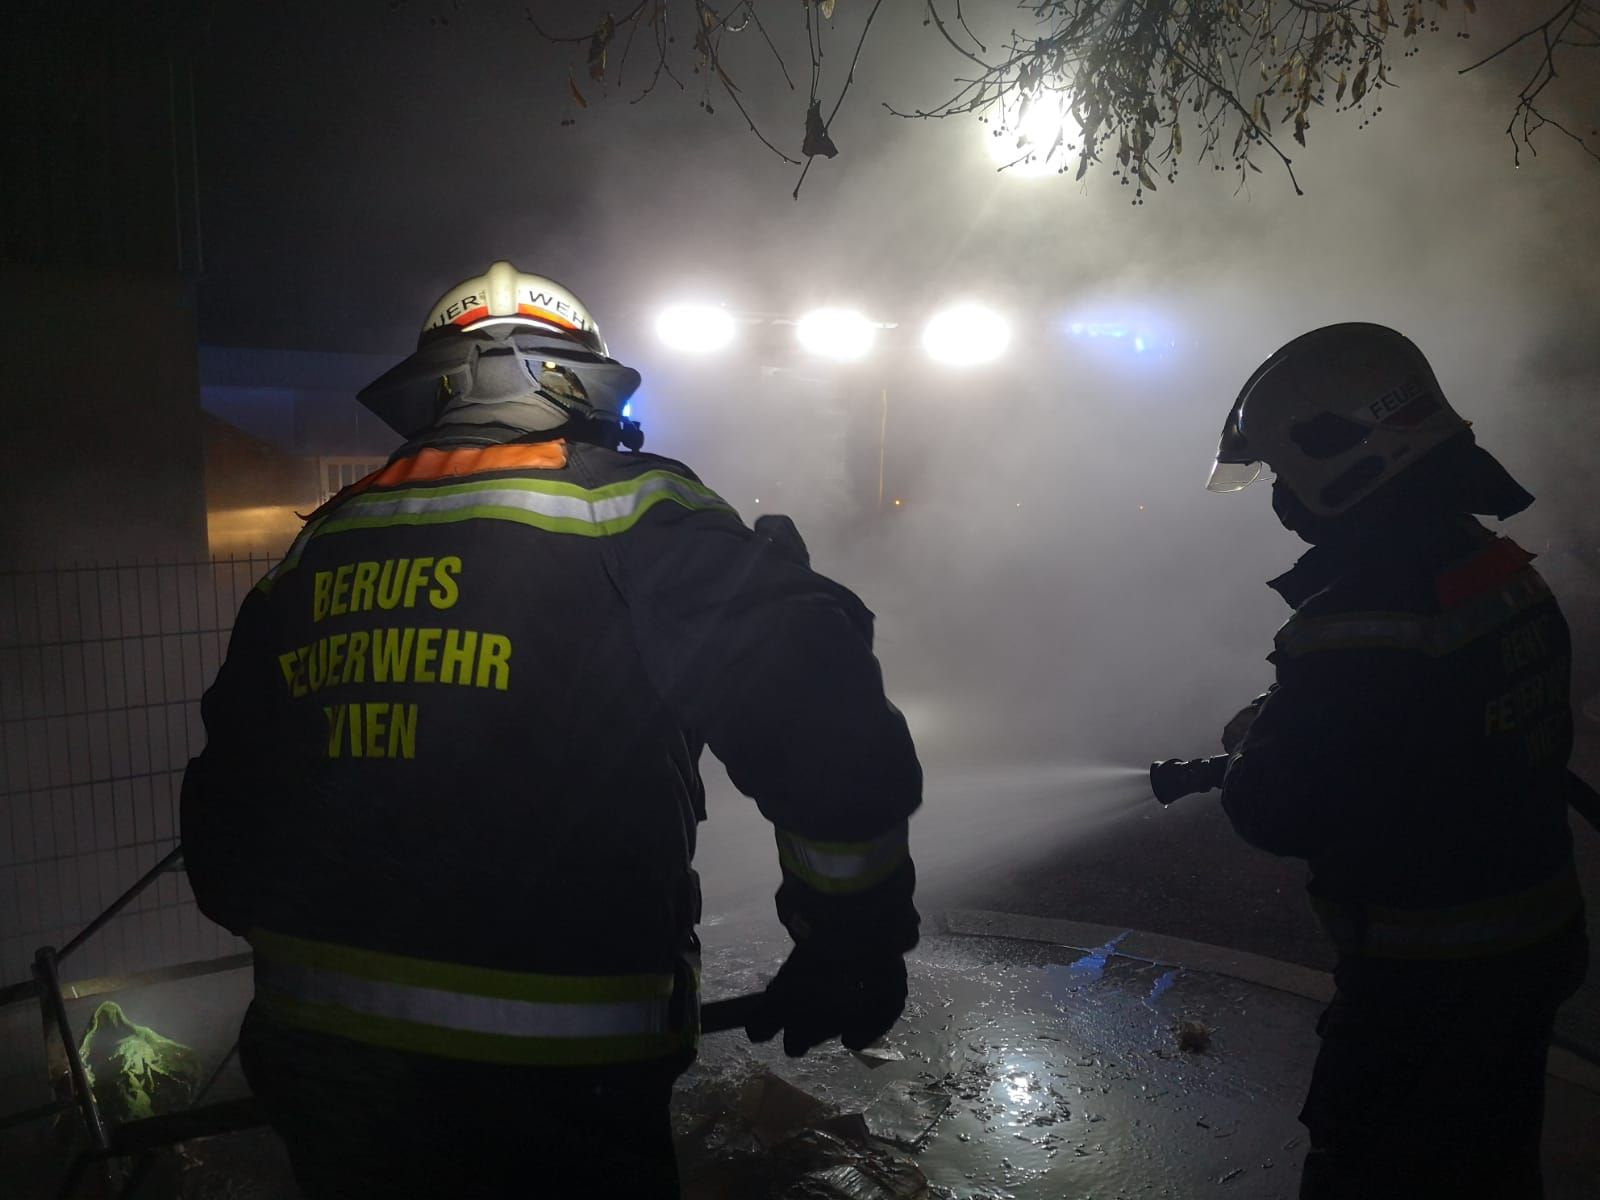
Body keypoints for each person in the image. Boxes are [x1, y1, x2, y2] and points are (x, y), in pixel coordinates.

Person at [181, 261, 922, 1197]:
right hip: (561, 1084)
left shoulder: (316, 551)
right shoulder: (634, 512)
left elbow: (221, 845)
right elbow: (821, 710)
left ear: (427, 402)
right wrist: (848, 937)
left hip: (323, 1071)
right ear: (591, 392)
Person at [1204, 324, 1588, 1200]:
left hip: (1426, 984)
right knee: (1491, 1166)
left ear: (1344, 450)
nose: (1282, 505)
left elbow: (1273, 810)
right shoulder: (1490, 563)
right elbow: (1444, 719)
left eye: (1282, 477)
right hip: (1531, 946)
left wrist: (1247, 747)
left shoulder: (1357, 616)